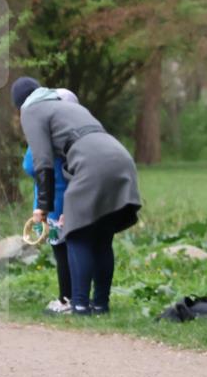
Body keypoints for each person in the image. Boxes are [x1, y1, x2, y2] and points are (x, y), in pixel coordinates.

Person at [12, 77, 141, 316]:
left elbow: (42, 162)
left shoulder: (30, 109)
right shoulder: (68, 105)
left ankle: (78, 305)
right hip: (120, 157)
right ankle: (100, 305)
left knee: (75, 232)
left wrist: (42, 208)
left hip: (92, 164)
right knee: (102, 236)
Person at [22, 88, 78, 315]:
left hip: (52, 206)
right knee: (76, 249)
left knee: (60, 251)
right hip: (73, 198)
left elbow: (29, 165)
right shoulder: (73, 136)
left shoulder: (45, 136)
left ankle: (66, 299)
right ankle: (81, 297)